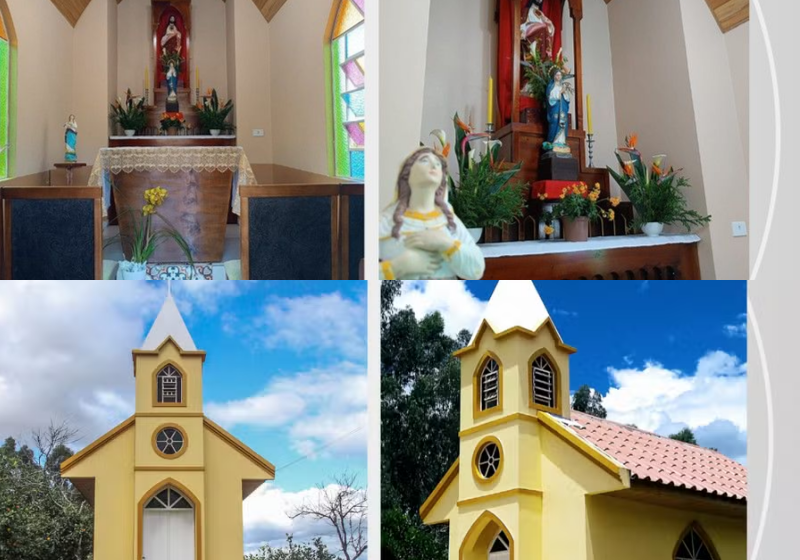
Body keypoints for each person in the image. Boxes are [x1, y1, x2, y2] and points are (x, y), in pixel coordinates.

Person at [379, 147, 485, 280]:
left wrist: (447, 244)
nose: (434, 165)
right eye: (424, 160)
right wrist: (398, 266)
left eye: (438, 164)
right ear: (407, 174)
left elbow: (476, 270)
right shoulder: (386, 221)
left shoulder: (448, 221)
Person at [545, 70, 573, 151]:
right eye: (557, 75)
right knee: (555, 122)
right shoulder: (551, 87)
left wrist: (564, 93)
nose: (558, 77)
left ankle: (562, 141)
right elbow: (550, 98)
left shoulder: (562, 86)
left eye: (560, 75)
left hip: (562, 110)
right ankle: (553, 141)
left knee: (563, 124)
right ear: (554, 76)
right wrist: (559, 93)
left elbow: (567, 99)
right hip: (555, 110)